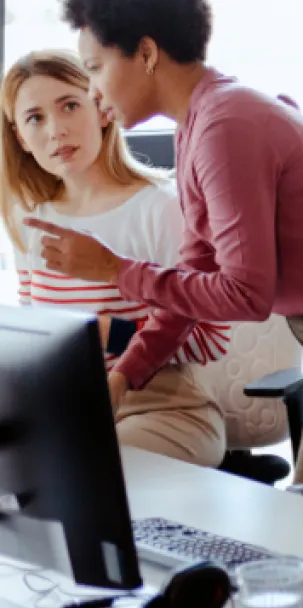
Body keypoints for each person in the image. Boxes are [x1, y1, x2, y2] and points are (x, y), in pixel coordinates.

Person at [39, 0, 303, 485]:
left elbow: (246, 295)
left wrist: (116, 270)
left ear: (147, 53)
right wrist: (124, 376)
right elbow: (195, 275)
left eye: (95, 68)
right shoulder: (199, 126)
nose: (93, 91)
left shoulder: (225, 125)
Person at [1, 49, 230, 468]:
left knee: (84, 465)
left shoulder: (159, 209)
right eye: (35, 118)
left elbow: (211, 337)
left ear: (102, 108)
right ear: (20, 137)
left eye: (70, 106)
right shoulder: (29, 217)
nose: (56, 130)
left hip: (162, 409)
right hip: (69, 410)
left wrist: (106, 332)